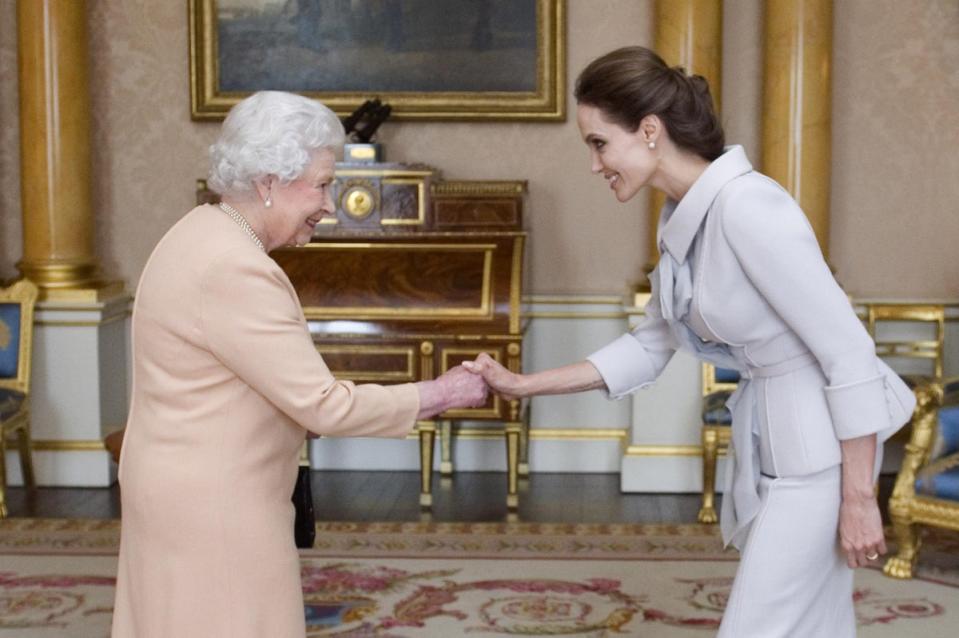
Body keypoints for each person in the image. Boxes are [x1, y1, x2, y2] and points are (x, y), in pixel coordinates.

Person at [463, 47, 915, 637]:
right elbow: (652, 343)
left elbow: (849, 350)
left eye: (598, 143)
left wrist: (859, 498)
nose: (594, 164)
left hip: (818, 461)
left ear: (649, 131)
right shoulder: (685, 216)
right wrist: (524, 386)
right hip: (778, 449)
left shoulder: (749, 207)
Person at [111, 91, 487, 638]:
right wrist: (442, 394)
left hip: (176, 489)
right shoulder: (236, 269)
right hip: (217, 507)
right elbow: (323, 405)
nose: (331, 205)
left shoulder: (196, 231)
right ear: (269, 182)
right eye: (322, 184)